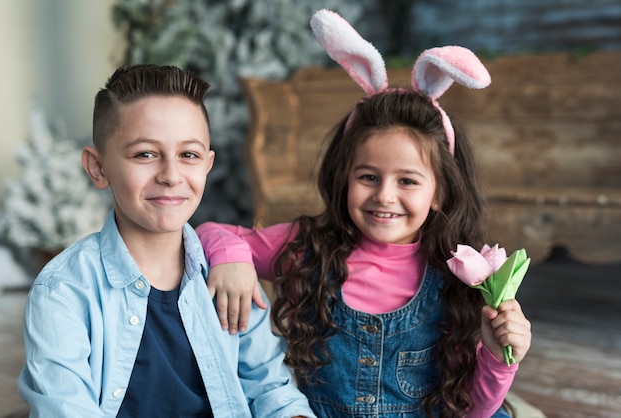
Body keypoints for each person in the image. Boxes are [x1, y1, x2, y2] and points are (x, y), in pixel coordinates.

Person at [195, 9, 532, 418]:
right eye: (368, 177)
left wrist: (499, 359)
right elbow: (210, 231)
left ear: (440, 192)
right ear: (344, 178)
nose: (384, 196)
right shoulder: (307, 247)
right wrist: (232, 259)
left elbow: (473, 412)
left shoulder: (463, 274)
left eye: (407, 181)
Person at [18, 64, 315, 418]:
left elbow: (271, 391)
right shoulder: (63, 292)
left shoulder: (230, 275)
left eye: (188, 155)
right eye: (145, 154)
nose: (171, 176)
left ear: (207, 165)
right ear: (98, 168)